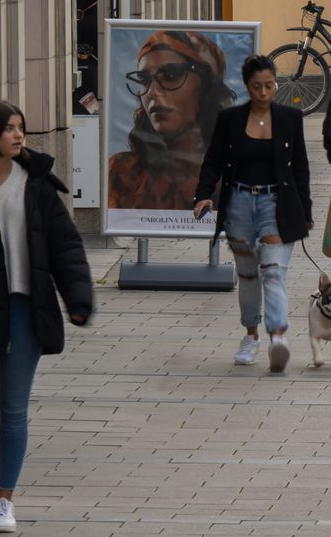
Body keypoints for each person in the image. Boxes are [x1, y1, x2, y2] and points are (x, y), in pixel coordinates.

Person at [0, 100, 93, 534]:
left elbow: (66, 246)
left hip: (25, 307)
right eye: (8, 129)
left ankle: (5, 500)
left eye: (21, 128)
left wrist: (78, 298)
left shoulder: (38, 184)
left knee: (13, 408)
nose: (18, 135)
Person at [191, 55, 311, 369]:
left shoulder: (290, 118)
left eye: (269, 85)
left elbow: (300, 169)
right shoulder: (230, 120)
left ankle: (277, 337)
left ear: (276, 83)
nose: (263, 92)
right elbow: (213, 160)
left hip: (275, 203)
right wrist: (203, 195)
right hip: (239, 204)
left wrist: (306, 211)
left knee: (273, 270)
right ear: (247, 87)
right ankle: (251, 335)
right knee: (247, 276)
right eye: (256, 86)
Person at [107, 30, 235, 213]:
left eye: (171, 75)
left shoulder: (233, 172)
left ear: (206, 86)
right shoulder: (123, 172)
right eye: (144, 80)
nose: (152, 92)